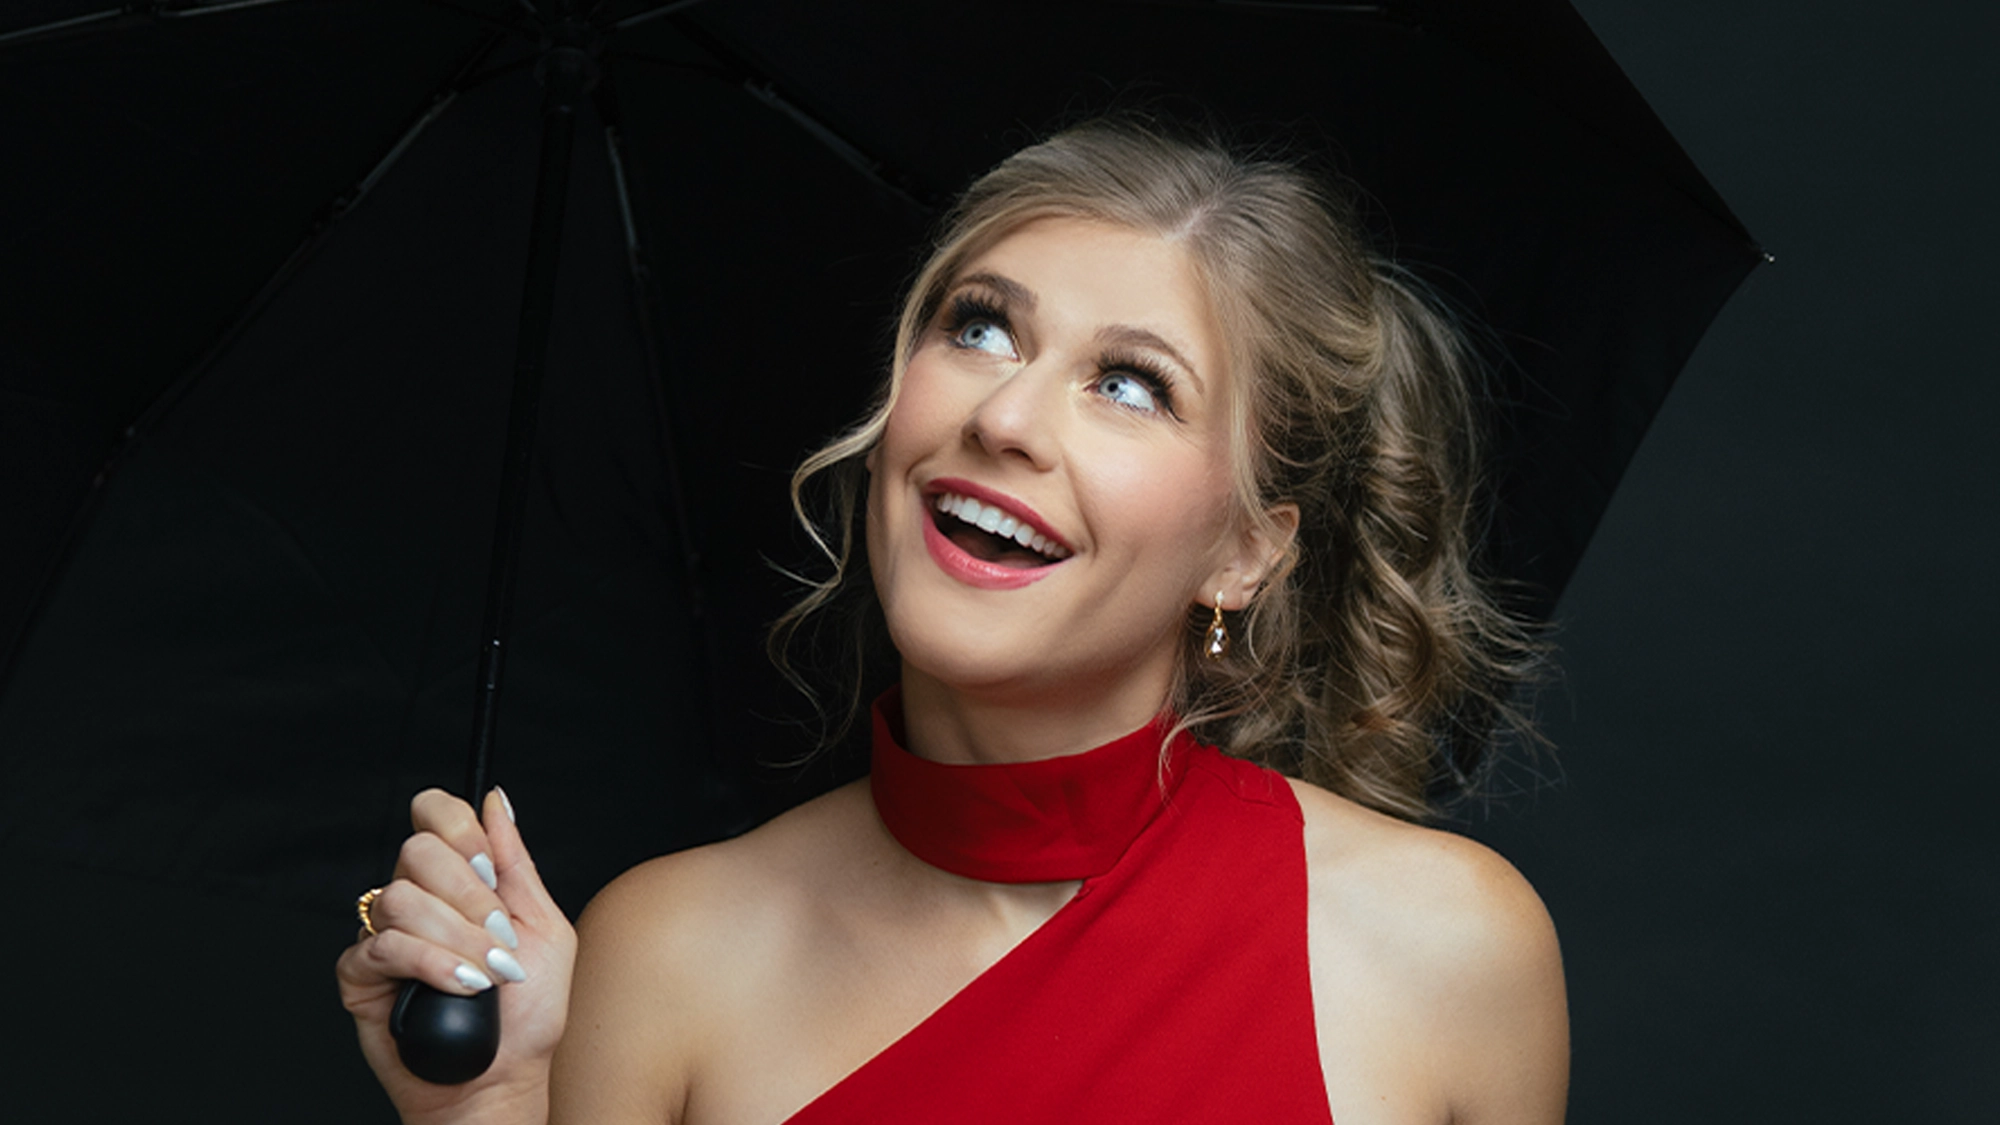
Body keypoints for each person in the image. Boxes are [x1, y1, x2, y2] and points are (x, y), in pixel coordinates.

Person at [337, 119, 1569, 1124]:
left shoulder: (1443, 950)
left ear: (1246, 551)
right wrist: (494, 1114)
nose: (1007, 416)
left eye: (1129, 385)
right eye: (978, 328)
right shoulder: (663, 956)